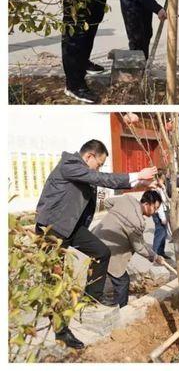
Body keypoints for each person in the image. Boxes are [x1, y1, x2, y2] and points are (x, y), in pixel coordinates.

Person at [34, 139, 157, 349]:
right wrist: (136, 175)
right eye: (99, 164)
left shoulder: (82, 171)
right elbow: (100, 178)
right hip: (52, 229)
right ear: (89, 157)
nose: (99, 168)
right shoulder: (70, 165)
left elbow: (99, 181)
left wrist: (140, 184)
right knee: (54, 280)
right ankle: (61, 332)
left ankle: (90, 300)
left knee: (101, 252)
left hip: (71, 227)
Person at [93, 190, 165, 308]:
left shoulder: (127, 199)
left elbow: (107, 203)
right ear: (147, 204)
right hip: (109, 250)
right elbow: (139, 247)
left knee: (96, 274)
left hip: (95, 239)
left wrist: (115, 219)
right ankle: (121, 309)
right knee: (122, 281)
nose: (155, 211)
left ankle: (93, 296)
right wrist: (155, 257)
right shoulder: (137, 222)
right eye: (155, 208)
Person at [152, 171, 171, 260]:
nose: (164, 181)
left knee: (163, 234)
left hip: (164, 212)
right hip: (159, 214)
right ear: (158, 179)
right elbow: (158, 205)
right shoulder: (156, 189)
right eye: (162, 179)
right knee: (160, 234)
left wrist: (163, 188)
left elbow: (167, 199)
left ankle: (161, 252)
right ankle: (154, 254)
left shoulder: (162, 188)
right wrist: (162, 217)